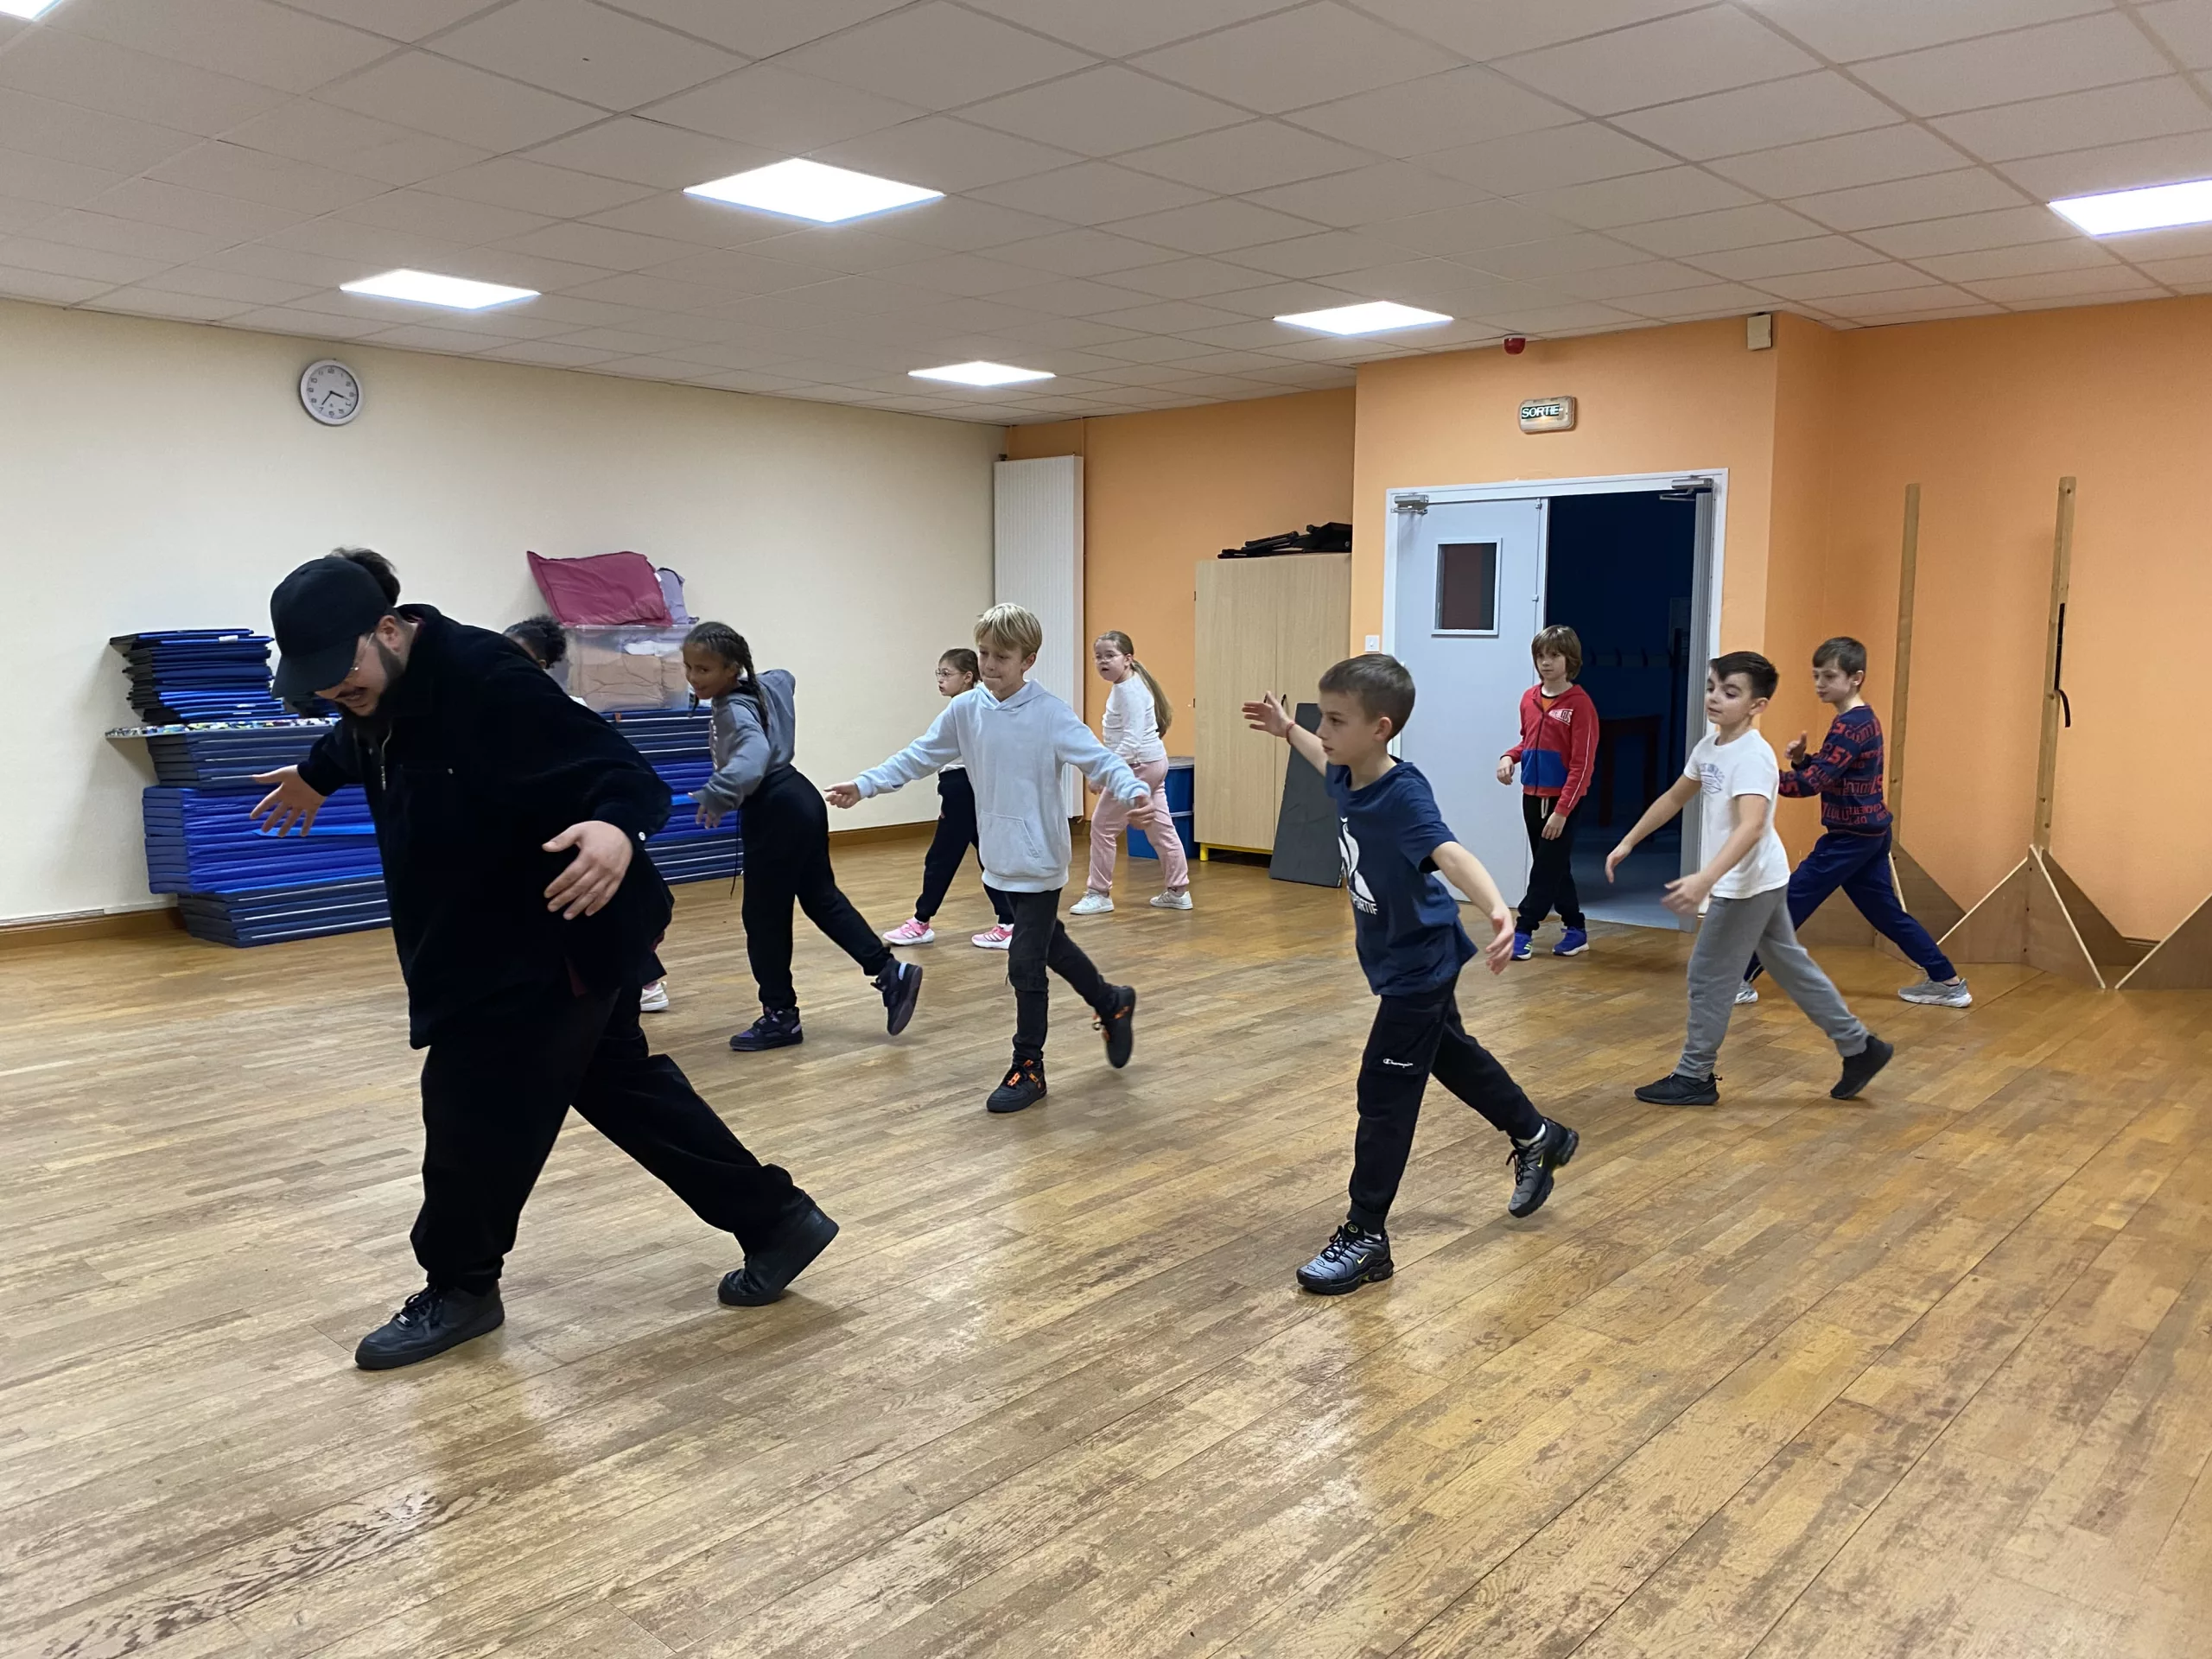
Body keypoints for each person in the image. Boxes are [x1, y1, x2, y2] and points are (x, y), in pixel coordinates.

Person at [249, 551, 837, 1372]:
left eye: (341, 675)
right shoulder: (382, 688)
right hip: (499, 933)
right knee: (622, 1088)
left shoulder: (487, 678)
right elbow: (367, 733)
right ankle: (777, 1222)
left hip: (548, 937)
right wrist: (317, 774)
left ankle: (460, 1287)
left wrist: (615, 828)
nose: (335, 693)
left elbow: (622, 771)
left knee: (468, 1111)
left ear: (387, 630)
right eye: (320, 687)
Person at [1243, 654, 1579, 1297]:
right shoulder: (1348, 770)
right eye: (1322, 718)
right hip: (1398, 956)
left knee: (1384, 1092)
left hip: (1420, 962)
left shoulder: (1402, 794)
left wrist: (1497, 908)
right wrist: (1289, 730)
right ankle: (1541, 1137)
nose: (1324, 731)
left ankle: (1366, 1234)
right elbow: (1319, 757)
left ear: (1380, 729)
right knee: (1449, 1055)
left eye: (1336, 720)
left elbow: (1450, 853)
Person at [828, 604, 1145, 1116]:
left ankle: (1029, 1066)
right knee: (1051, 945)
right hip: (998, 857)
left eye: (1002, 656)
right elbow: (919, 755)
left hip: (1039, 860)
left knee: (1025, 962)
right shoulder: (966, 710)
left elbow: (1100, 760)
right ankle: (1111, 1001)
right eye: (984, 653)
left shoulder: (1050, 714)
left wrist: (1132, 791)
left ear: (1028, 660)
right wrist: (865, 785)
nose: (990, 664)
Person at [1606, 651, 1894, 1107]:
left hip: (1746, 883)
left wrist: (1705, 879)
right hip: (1761, 877)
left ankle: (1695, 1075)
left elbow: (1752, 826)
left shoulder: (1754, 757)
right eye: (1712, 688)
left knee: (1707, 974)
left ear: (1757, 705)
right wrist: (1629, 840)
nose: (1714, 698)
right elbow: (1675, 796)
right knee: (1789, 965)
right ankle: (1860, 1047)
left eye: (1730, 692)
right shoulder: (1710, 747)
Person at [682, 621, 921, 1052]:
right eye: (689, 667)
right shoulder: (761, 686)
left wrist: (720, 791)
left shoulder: (732, 708)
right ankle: (890, 973)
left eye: (704, 669)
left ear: (731, 669)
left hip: (774, 808)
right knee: (819, 897)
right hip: (799, 798)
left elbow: (754, 754)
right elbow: (785, 677)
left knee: (764, 918)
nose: (694, 678)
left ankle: (780, 1016)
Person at [1737, 636, 1971, 1009]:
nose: (1820, 684)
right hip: (1870, 834)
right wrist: (1801, 761)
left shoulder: (1850, 726)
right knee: (1886, 914)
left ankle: (1736, 980)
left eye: (1829, 676)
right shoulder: (1860, 721)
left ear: (1855, 678)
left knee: (1789, 901)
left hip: (1850, 839)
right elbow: (1833, 770)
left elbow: (1813, 783)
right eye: (1816, 675)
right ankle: (1948, 982)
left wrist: (1760, 777)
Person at [505, 613, 672, 1014]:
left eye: (512, 656)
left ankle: (644, 983)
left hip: (592, 842)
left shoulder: (568, 712)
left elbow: (631, 783)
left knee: (611, 920)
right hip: (556, 855)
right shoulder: (503, 713)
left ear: (540, 666)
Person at [878, 649, 1017, 951]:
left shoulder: (970, 706)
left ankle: (921, 921)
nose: (940, 680)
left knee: (942, 857)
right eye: (938, 673)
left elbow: (929, 752)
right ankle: (1009, 921)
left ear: (967, 677)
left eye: (946, 674)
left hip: (963, 789)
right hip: (965, 788)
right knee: (987, 857)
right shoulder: (970, 705)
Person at [1069, 630, 1192, 915]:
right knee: (1160, 828)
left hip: (1138, 768)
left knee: (1102, 827)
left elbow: (1132, 742)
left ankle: (1099, 893)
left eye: (1110, 656)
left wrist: (1103, 773)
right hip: (1151, 764)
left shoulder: (1130, 692)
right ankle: (1178, 890)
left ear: (1127, 659)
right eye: (1098, 657)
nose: (1103, 661)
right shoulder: (1126, 686)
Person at [1495, 624, 1599, 960]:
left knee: (1544, 868)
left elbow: (1582, 764)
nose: (1546, 662)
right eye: (1541, 655)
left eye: (1554, 655)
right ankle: (1576, 928)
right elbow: (1528, 742)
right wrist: (1509, 757)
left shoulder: (1580, 705)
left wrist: (1562, 811)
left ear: (1570, 660)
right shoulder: (1529, 698)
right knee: (1554, 865)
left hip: (1562, 801)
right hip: (1531, 796)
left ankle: (1523, 929)